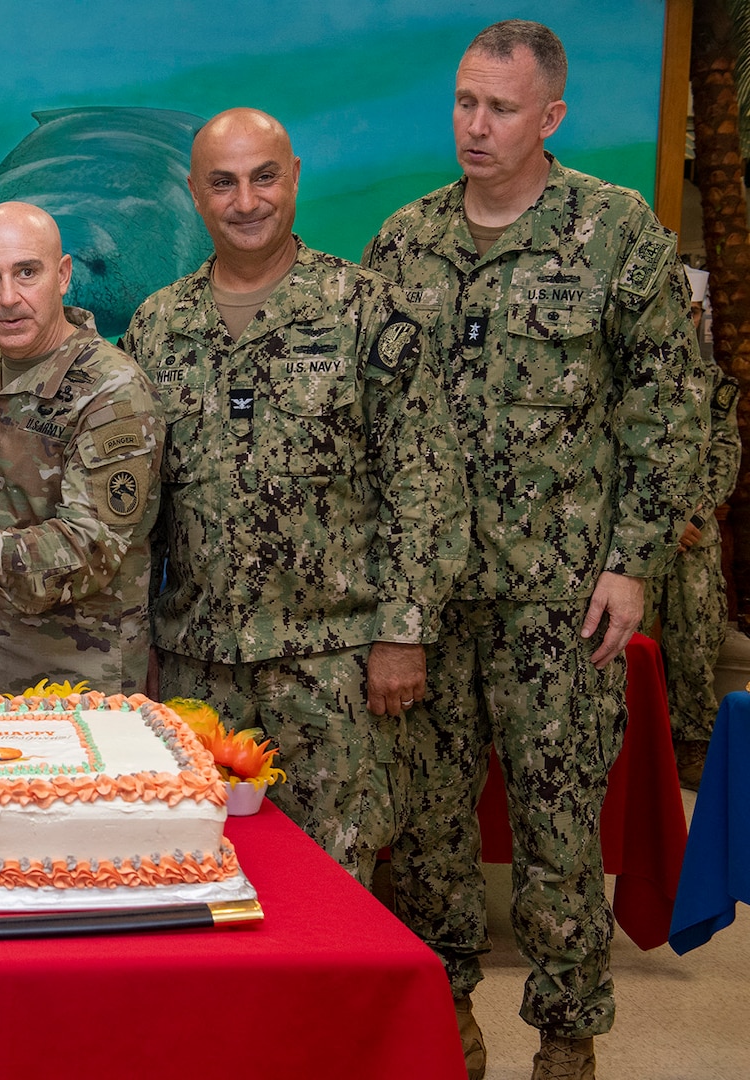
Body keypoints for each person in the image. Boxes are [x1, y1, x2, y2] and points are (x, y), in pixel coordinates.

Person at [362, 21, 708, 1078]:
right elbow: (369, 426)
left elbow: (676, 404)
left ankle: (567, 1042)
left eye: (500, 109)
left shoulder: (616, 234)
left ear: (550, 116)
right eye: (465, 102)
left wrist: (635, 561)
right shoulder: (402, 241)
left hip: (565, 607)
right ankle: (450, 1024)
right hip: (433, 603)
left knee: (560, 837)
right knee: (428, 838)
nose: (475, 125)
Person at [120, 108, 466, 887]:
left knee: (332, 887)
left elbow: (424, 484)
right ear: (195, 196)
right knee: (196, 875)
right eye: (224, 183)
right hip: (196, 666)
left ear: (295, 177)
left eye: (264, 177)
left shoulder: (367, 311)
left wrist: (402, 635)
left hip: (334, 666)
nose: (246, 201)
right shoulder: (157, 324)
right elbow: (142, 512)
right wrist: (137, 644)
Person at [0, 201, 163, 694]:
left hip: (79, 683)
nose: (8, 298)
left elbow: (91, 547)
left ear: (63, 275)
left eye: (27, 272)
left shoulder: (112, 390)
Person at [643, 267, 740, 791]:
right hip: (635, 538)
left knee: (694, 643)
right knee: (624, 645)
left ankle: (694, 747)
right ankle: (630, 750)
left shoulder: (716, 386)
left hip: (693, 542)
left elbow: (723, 455)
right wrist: (659, 517)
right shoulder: (627, 373)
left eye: (696, 311)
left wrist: (693, 516)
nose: (687, 318)